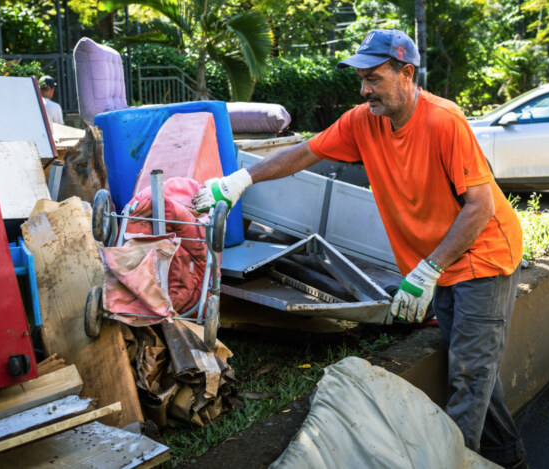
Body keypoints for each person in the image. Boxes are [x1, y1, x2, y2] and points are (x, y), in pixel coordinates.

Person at [193, 29, 528, 468]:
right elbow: (305, 152)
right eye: (362, 79)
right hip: (443, 263)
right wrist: (241, 181)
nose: (364, 89)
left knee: (468, 379)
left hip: (484, 258)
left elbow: (480, 207)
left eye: (374, 78)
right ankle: (511, 459)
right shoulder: (363, 122)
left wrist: (427, 271)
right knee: (473, 370)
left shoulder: (444, 121)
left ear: (406, 74)